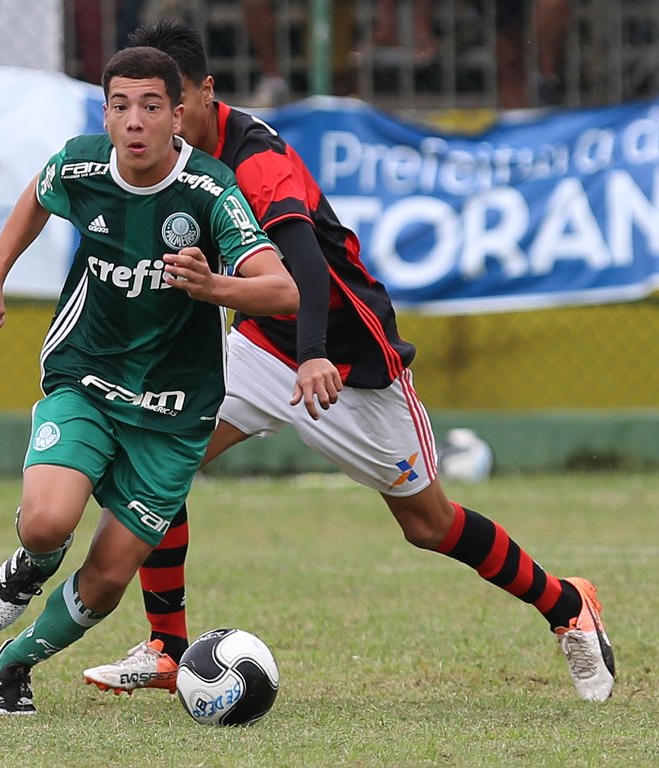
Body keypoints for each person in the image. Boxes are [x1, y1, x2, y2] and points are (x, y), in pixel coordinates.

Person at [81, 19, 615, 704]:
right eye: (145, 106)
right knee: (158, 462)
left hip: (348, 362)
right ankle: (168, 647)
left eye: (171, 103)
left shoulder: (258, 160)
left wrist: (310, 356)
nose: (159, 120)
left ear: (204, 93)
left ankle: (567, 604)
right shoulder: (169, 162)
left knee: (428, 524)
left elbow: (306, 267)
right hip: (260, 348)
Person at [0, 44, 299, 715]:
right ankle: (32, 560)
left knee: (110, 579)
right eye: (120, 106)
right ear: (107, 114)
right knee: (46, 522)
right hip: (87, 378)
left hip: (176, 414)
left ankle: (14, 663)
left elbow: (284, 292)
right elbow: (39, 190)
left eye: (150, 107)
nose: (134, 121)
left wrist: (214, 286)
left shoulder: (209, 190)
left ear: (178, 115)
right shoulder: (83, 164)